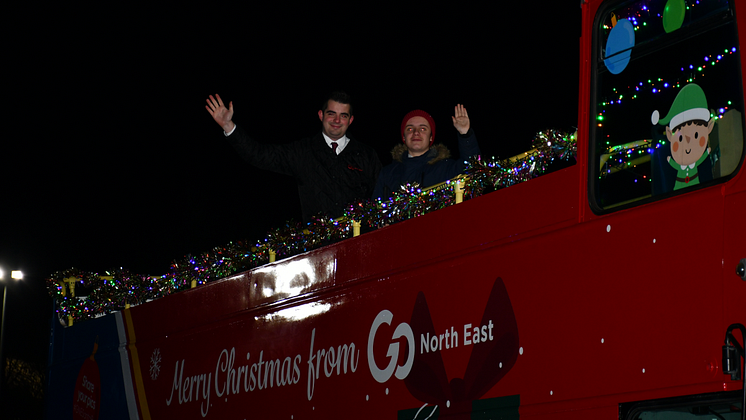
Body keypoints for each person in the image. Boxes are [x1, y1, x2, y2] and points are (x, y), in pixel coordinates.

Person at [206, 91, 382, 222]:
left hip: (358, 241)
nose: (337, 120)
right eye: (331, 114)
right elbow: (259, 155)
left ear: (350, 120)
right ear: (321, 115)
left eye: (343, 116)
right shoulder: (303, 151)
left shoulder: (366, 155)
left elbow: (382, 197)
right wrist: (229, 127)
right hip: (317, 247)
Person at [372, 104, 480, 199]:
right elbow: (375, 210)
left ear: (430, 137)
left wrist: (465, 134)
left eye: (423, 129)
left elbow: (473, 168)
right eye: (410, 129)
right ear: (404, 137)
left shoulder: (445, 168)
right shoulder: (388, 173)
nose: (416, 133)